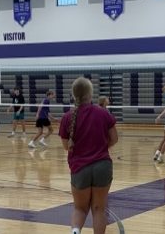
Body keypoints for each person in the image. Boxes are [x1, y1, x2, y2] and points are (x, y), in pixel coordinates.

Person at [59, 77, 118, 234]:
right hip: (102, 166)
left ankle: (75, 231)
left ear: (74, 95)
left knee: (79, 208)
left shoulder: (66, 118)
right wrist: (100, 147)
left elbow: (66, 146)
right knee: (99, 208)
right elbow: (114, 138)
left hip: (79, 168)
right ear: (90, 94)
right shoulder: (103, 113)